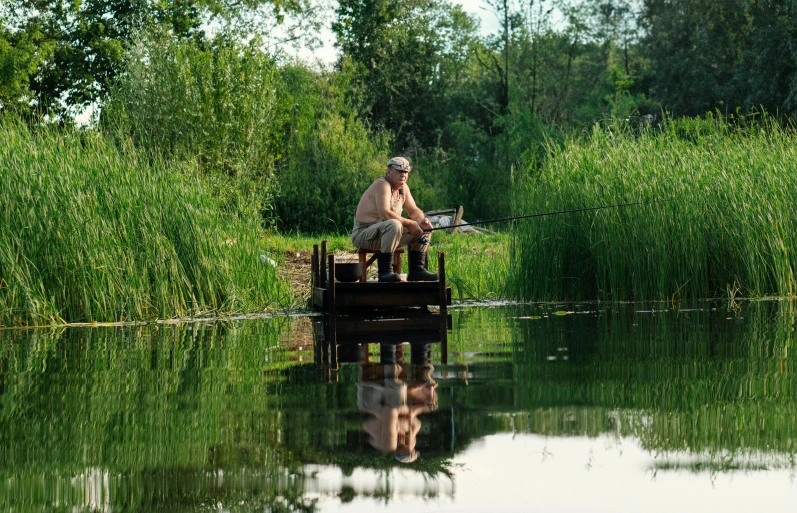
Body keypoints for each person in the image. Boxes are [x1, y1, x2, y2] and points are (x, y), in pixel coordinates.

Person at [352, 156, 438, 282]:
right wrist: (409, 223)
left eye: (406, 172)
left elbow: (413, 210)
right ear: (388, 172)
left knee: (423, 227)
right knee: (394, 224)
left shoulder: (403, 188)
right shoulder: (382, 184)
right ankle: (385, 272)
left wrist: (422, 221)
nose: (403, 175)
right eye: (399, 171)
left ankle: (417, 271)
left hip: (388, 234)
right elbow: (385, 214)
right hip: (364, 234)